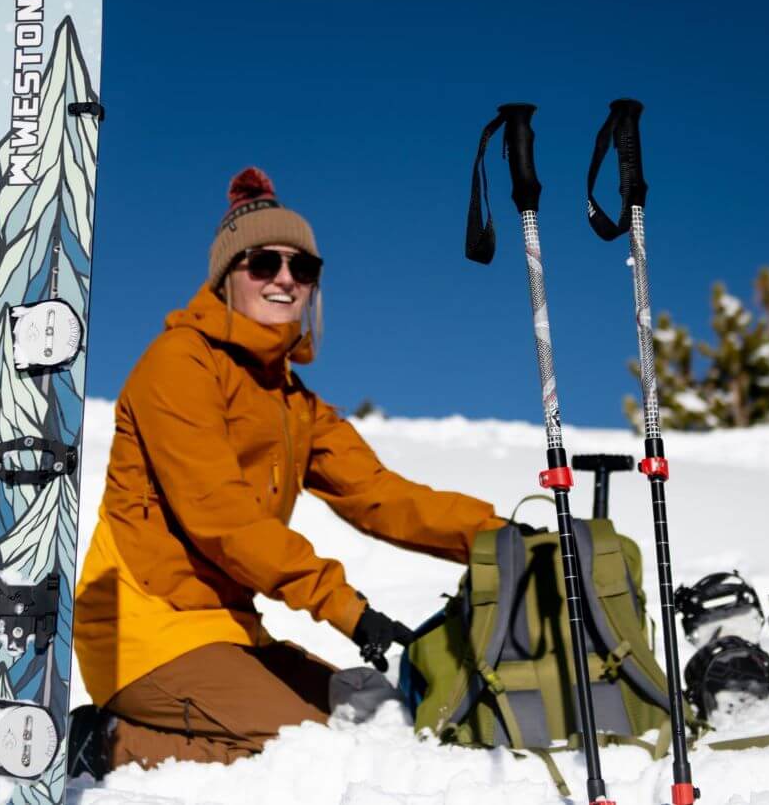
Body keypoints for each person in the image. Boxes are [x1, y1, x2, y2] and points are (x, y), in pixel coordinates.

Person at [71, 167, 506, 771]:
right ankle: (106, 745)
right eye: (263, 263)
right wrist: (345, 609)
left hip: (228, 630)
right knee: (318, 747)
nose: (284, 279)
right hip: (146, 630)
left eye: (301, 268)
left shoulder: (293, 402)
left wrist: (499, 541)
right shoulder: (179, 365)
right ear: (227, 276)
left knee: (372, 712)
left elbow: (378, 494)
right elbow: (221, 518)